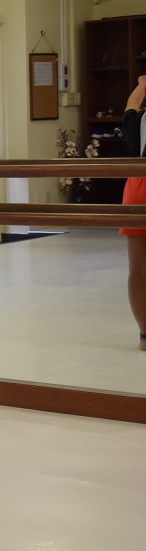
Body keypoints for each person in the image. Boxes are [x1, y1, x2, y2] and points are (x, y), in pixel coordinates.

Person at [123, 74, 146, 351]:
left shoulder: (139, 121)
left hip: (139, 186)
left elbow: (131, 106)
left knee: (138, 269)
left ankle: (145, 334)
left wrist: (142, 86)